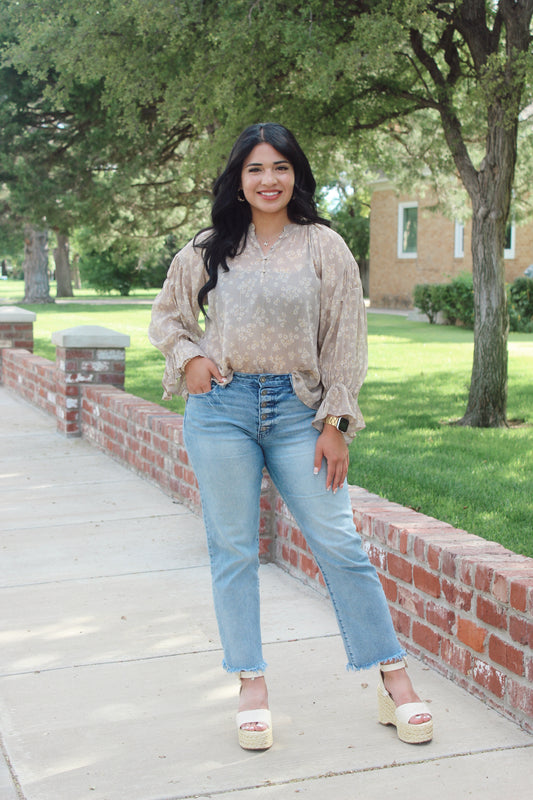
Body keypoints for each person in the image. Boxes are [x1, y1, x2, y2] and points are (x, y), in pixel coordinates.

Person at [148, 122, 433, 750]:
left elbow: (345, 342)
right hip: (223, 409)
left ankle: (394, 682)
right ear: (238, 179)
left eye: (279, 167)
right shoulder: (209, 248)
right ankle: (251, 685)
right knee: (232, 548)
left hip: (301, 411)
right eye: (255, 169)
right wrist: (190, 356)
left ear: (296, 174)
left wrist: (336, 423)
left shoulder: (325, 246)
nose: (268, 180)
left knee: (340, 543)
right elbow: (169, 314)